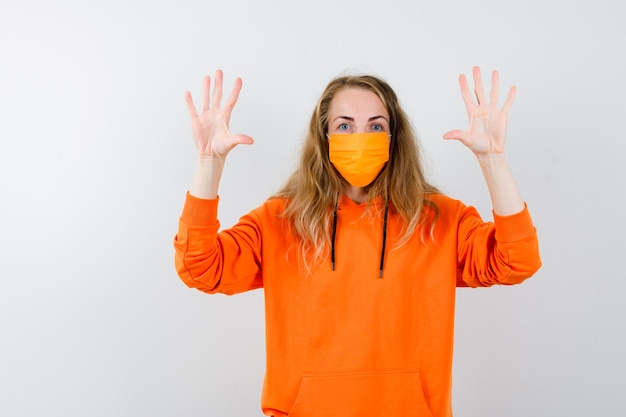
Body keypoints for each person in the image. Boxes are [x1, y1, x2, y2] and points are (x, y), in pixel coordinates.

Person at [173, 67, 541, 417]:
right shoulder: (280, 219)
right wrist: (209, 164)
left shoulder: (440, 219)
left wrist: (494, 160)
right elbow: (199, 268)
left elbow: (517, 259)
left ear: (394, 137)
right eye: (345, 125)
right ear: (325, 136)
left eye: (375, 126)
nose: (360, 137)